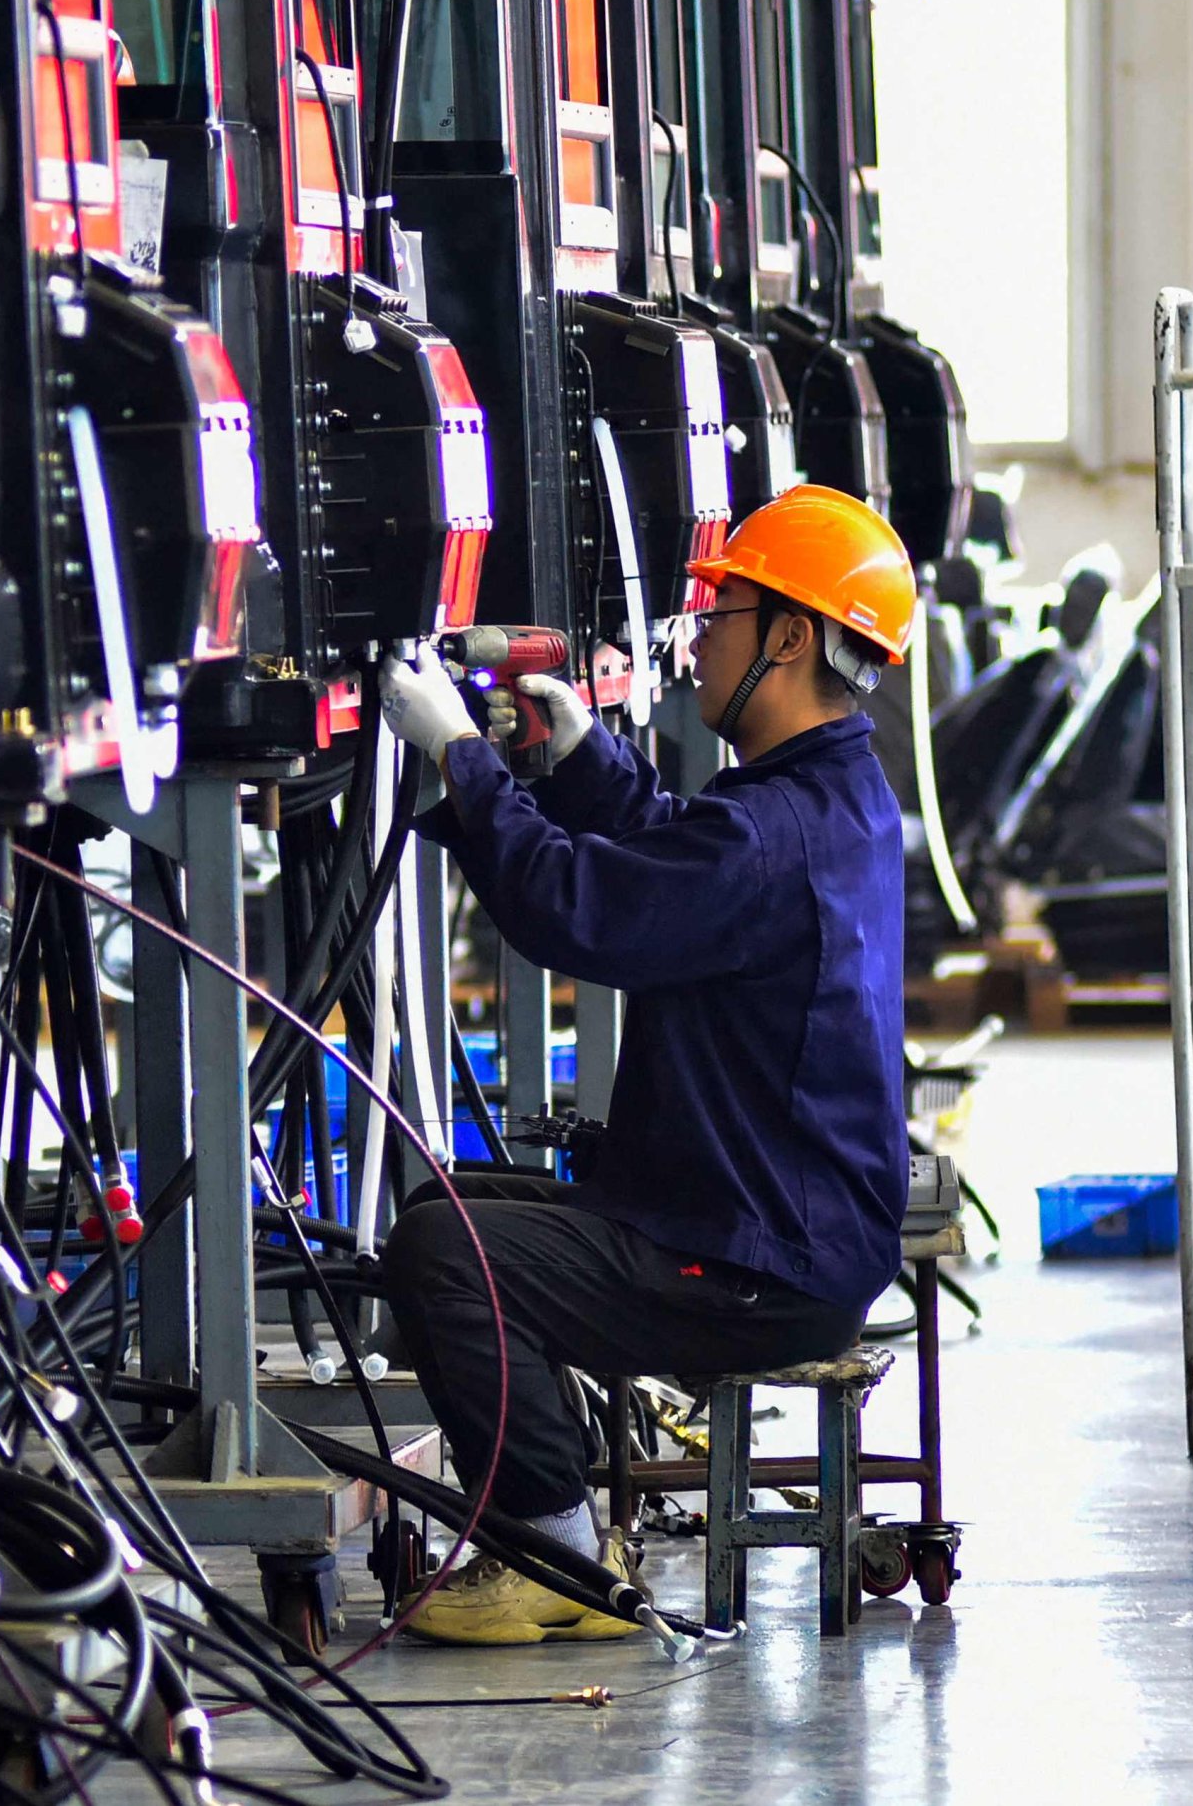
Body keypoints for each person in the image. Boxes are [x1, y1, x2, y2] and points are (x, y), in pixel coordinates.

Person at [368, 483, 918, 1645]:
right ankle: (550, 1495)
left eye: (721, 609)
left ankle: (554, 1555)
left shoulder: (774, 830)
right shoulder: (826, 795)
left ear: (791, 636)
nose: (697, 633)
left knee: (442, 1248)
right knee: (457, 1207)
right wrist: (576, 757)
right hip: (776, 1224)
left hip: (754, 1260)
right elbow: (682, 860)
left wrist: (466, 759)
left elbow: (587, 912)